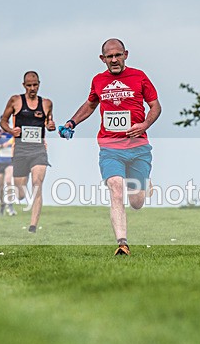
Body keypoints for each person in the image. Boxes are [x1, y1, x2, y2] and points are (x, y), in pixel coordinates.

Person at [58, 38, 161, 256]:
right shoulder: (98, 80)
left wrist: (144, 124)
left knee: (136, 202)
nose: (114, 60)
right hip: (110, 148)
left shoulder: (139, 76)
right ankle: (122, 243)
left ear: (125, 54)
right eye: (109, 56)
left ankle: (144, 184)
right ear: (102, 58)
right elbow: (90, 104)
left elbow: (155, 106)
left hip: (138, 147)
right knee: (116, 188)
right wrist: (72, 122)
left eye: (118, 55)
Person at [0, 71, 56, 233]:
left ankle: (33, 226)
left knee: (37, 183)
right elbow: (3, 120)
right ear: (24, 85)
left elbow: (48, 122)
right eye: (29, 85)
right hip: (20, 150)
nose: (32, 88)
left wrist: (50, 126)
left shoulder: (46, 103)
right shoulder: (15, 101)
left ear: (39, 84)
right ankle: (20, 194)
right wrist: (11, 130)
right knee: (20, 192)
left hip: (38, 150)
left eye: (35, 85)